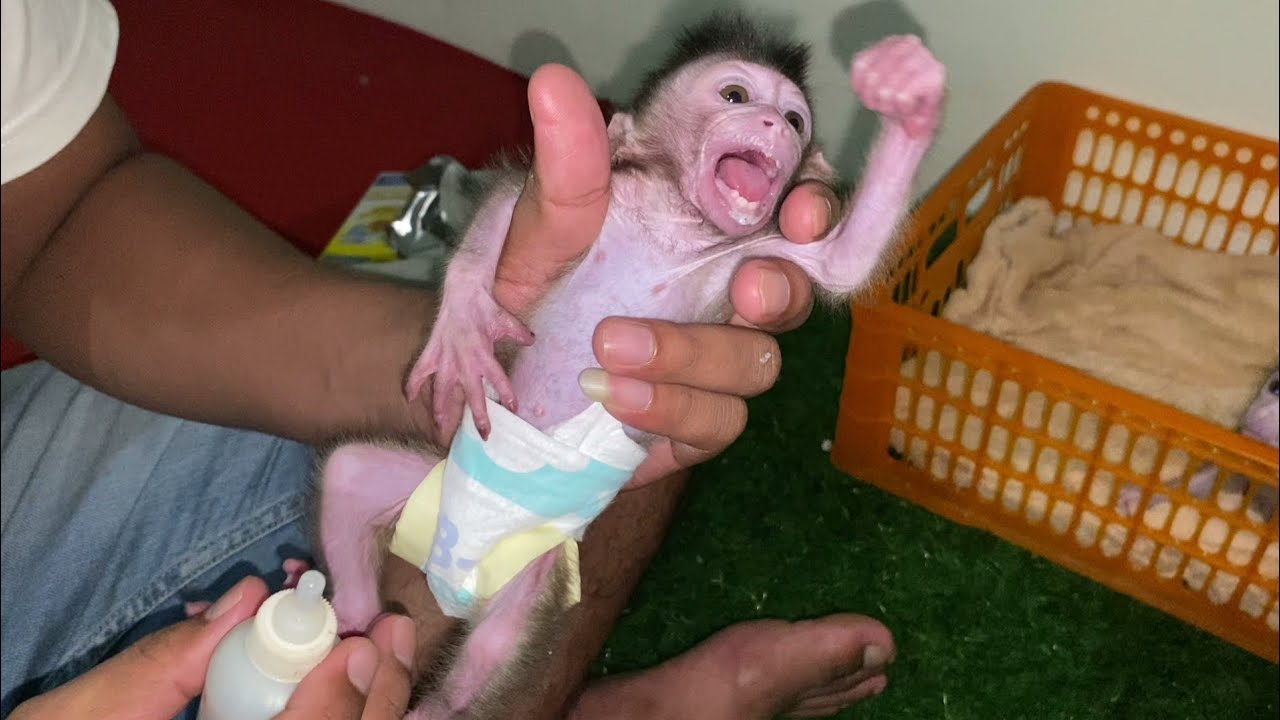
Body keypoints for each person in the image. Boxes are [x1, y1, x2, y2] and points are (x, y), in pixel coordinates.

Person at [0, 0, 897, 718]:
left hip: (527, 458)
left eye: (787, 119)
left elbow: (65, 212)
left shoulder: (711, 253)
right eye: (735, 98)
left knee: (664, 379)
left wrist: (443, 347)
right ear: (629, 135)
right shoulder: (642, 181)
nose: (768, 130)